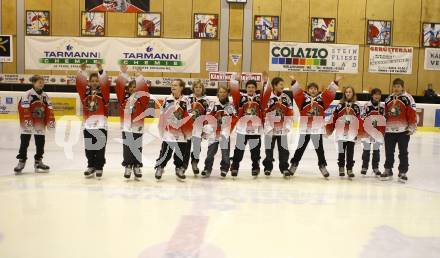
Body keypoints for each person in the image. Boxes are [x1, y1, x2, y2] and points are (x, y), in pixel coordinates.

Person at [289, 75, 342, 178]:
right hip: (305, 129)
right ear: (308, 90)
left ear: (317, 90)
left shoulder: (322, 99)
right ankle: (294, 164)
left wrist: (335, 82)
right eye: (311, 89)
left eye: (315, 89)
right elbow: (297, 92)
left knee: (319, 149)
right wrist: (294, 81)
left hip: (317, 129)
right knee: (300, 148)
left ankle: (322, 166)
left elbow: (329, 93)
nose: (313, 90)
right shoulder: (303, 99)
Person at [14, 75, 55, 174]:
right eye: (39, 82)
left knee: (40, 143)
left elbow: (49, 109)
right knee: (24, 143)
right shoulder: (27, 94)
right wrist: (27, 121)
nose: (41, 84)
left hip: (39, 123)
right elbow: (23, 108)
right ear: (34, 83)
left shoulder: (45, 96)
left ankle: (38, 161)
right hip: (28, 123)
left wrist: (51, 121)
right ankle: (21, 161)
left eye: (42, 82)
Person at [115, 65, 150, 180]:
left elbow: (144, 89)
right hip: (126, 127)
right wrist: (123, 74)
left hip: (138, 127)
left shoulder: (142, 99)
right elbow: (119, 88)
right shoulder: (123, 99)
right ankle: (128, 165)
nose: (133, 89)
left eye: (135, 87)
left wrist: (139, 77)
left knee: (137, 147)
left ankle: (137, 165)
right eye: (130, 87)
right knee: (127, 147)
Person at [76, 63, 110, 179]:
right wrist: (82, 70)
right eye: (92, 81)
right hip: (88, 125)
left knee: (100, 148)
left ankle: (99, 167)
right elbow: (80, 84)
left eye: (97, 81)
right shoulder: (84, 93)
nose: (95, 83)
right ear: (89, 82)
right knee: (89, 148)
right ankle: (91, 166)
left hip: (101, 125)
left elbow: (105, 83)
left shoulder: (104, 93)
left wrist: (100, 70)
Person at [154, 79, 192, 181]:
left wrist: (187, 131)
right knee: (166, 152)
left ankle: (179, 168)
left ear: (181, 87)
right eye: (172, 85)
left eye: (175, 85)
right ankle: (160, 167)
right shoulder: (167, 99)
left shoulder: (186, 100)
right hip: (169, 132)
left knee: (180, 153)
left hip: (181, 132)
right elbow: (162, 114)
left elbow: (189, 116)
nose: (173, 87)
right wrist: (161, 128)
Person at [381, 78, 417, 183]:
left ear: (402, 87)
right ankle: (388, 170)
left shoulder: (408, 98)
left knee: (403, 153)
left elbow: (412, 113)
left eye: (398, 86)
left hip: (403, 131)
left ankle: (402, 172)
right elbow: (385, 114)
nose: (396, 88)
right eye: (395, 86)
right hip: (389, 131)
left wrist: (411, 127)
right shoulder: (388, 99)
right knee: (389, 152)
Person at [230, 79, 264, 178]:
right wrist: (236, 80)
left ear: (256, 89)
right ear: (246, 88)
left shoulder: (259, 98)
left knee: (255, 151)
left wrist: (265, 82)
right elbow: (234, 91)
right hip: (242, 129)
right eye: (249, 87)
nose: (251, 89)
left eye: (253, 87)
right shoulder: (241, 97)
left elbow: (267, 94)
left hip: (255, 129)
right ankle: (235, 167)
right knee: (239, 150)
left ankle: (255, 167)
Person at [201, 85, 238, 178]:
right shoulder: (213, 104)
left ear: (227, 94)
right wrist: (206, 129)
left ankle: (224, 169)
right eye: (220, 92)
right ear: (218, 94)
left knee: (225, 154)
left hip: (224, 133)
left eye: (224, 92)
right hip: (213, 133)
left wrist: (228, 128)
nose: (222, 94)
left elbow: (235, 118)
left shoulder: (230, 106)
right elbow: (208, 117)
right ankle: (207, 169)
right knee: (210, 154)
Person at [262, 77, 294, 178]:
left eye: (282, 84)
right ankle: (268, 167)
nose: (282, 86)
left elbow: (290, 112)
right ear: (275, 86)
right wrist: (268, 128)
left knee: (284, 150)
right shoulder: (268, 97)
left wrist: (287, 125)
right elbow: (264, 113)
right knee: (269, 149)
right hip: (270, 128)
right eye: (280, 84)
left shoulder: (286, 98)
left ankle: (284, 168)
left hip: (282, 129)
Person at [327, 86, 361, 178]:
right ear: (344, 94)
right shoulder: (340, 105)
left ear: (353, 94)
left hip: (352, 132)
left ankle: (349, 169)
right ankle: (341, 167)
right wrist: (330, 129)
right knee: (341, 151)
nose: (348, 93)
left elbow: (359, 120)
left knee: (350, 152)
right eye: (346, 92)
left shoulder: (356, 106)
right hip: (340, 132)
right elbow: (334, 118)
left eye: (350, 92)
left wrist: (359, 132)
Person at [183, 80, 210, 176]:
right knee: (186, 147)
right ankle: (183, 166)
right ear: (193, 88)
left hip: (199, 128)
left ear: (202, 89)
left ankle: (195, 163)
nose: (198, 89)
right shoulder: (187, 99)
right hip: (188, 127)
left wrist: (206, 129)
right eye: (196, 87)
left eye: (200, 87)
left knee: (197, 147)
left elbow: (208, 115)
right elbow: (182, 111)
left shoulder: (206, 100)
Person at [360, 88, 385, 177]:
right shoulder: (366, 106)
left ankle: (375, 168)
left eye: (379, 94)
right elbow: (362, 117)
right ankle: (364, 167)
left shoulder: (383, 106)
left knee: (376, 151)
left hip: (378, 133)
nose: (377, 96)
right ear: (372, 95)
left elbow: (385, 118)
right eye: (375, 94)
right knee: (366, 150)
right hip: (367, 131)